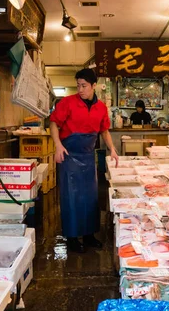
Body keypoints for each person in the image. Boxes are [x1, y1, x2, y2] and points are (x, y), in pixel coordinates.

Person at [50, 68, 119, 253]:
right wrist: (58, 145)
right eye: (78, 85)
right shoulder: (67, 103)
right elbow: (54, 124)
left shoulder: (101, 108)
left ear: (94, 86)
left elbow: (104, 130)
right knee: (71, 197)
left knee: (90, 198)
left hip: (88, 157)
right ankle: (72, 238)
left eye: (84, 86)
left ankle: (88, 235)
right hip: (69, 155)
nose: (80, 89)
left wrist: (112, 148)